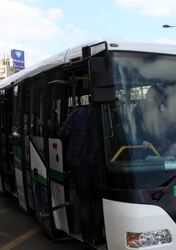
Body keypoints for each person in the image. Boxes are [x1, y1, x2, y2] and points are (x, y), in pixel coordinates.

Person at [60, 104, 103, 249]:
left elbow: (63, 133)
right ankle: (96, 236)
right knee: (98, 201)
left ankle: (85, 237)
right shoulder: (105, 112)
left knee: (84, 200)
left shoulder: (76, 112)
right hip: (97, 165)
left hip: (77, 164)